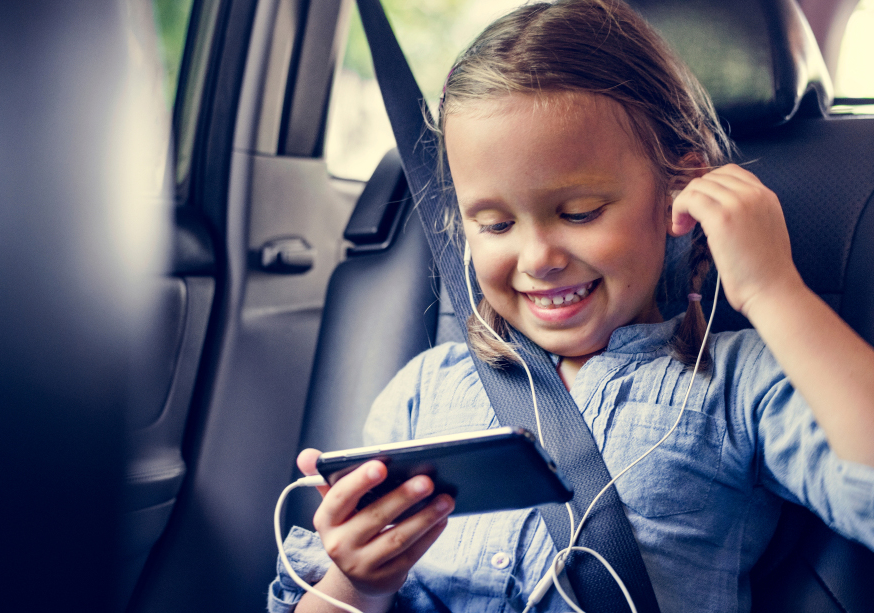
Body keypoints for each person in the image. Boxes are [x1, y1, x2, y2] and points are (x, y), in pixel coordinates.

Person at [268, 1, 874, 611]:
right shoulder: (422, 394)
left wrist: (773, 291)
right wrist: (359, 583)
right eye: (496, 224)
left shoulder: (733, 384)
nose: (538, 258)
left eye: (579, 213)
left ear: (678, 192)